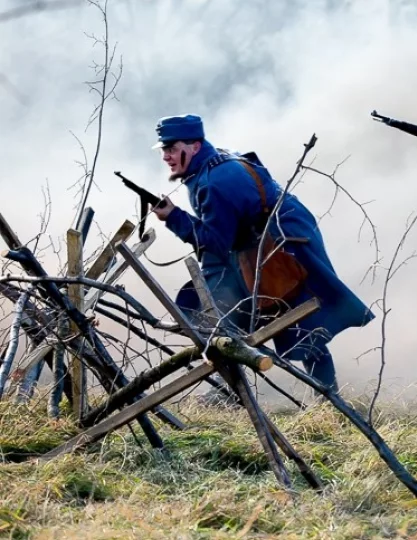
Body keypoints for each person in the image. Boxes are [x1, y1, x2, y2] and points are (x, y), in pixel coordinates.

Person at [149, 114, 375, 397]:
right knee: (239, 314)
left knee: (291, 319)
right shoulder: (211, 164)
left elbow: (215, 244)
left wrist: (174, 217)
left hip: (279, 246)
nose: (166, 157)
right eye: (164, 150)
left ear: (194, 146)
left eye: (172, 148)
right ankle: (232, 392)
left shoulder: (213, 182)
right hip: (265, 242)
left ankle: (314, 397)